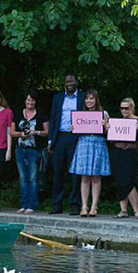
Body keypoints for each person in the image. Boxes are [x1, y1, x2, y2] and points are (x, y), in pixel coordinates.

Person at [47, 74, 85, 215]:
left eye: (71, 80)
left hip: (76, 137)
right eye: (67, 81)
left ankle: (75, 204)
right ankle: (56, 204)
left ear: (76, 82)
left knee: (75, 172)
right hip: (60, 137)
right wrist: (50, 140)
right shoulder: (57, 98)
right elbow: (53, 119)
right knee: (58, 172)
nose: (69, 83)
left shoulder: (82, 97)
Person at [69, 89, 110, 217]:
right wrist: (73, 128)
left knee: (96, 176)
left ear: (96, 100)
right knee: (85, 177)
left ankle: (94, 207)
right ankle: (84, 206)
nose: (89, 101)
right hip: (84, 143)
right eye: (87, 98)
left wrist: (106, 127)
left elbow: (109, 133)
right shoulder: (81, 114)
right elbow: (76, 130)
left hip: (98, 143)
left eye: (91, 98)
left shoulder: (104, 113)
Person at [109, 98, 138, 219]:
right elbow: (110, 138)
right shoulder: (117, 121)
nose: (124, 110)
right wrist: (108, 129)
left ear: (132, 108)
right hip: (117, 152)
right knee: (120, 180)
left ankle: (136, 211)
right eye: (122, 108)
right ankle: (123, 210)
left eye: (126, 108)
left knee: (129, 181)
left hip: (130, 152)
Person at [10, 90, 49, 214]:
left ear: (35, 101)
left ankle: (32, 204)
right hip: (20, 149)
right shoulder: (18, 113)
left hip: (35, 149)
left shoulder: (41, 113)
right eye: (28, 100)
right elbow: (12, 132)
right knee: (22, 177)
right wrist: (21, 134)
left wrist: (35, 132)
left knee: (33, 177)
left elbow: (47, 132)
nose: (30, 102)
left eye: (32, 100)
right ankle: (23, 204)